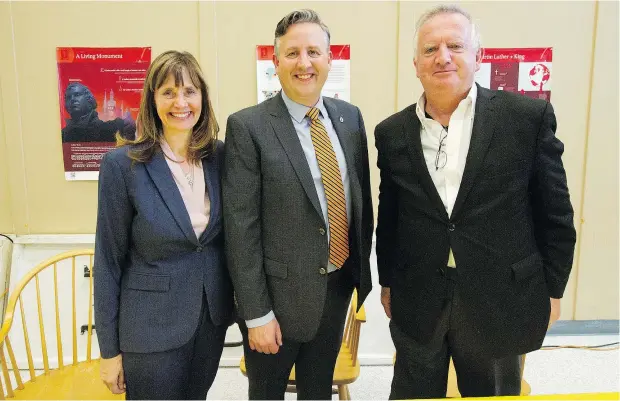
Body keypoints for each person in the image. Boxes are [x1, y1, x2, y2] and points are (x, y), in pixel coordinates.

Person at [374, 4, 576, 399]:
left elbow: (555, 214)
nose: (442, 57)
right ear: (415, 63)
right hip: (419, 297)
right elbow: (392, 215)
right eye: (430, 49)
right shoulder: (392, 132)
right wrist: (387, 282)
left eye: (455, 45)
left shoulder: (525, 119)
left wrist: (551, 290)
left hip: (498, 300)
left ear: (478, 56)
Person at [222, 9, 373, 400]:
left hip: (335, 289)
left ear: (329, 59)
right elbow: (242, 229)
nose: (304, 63)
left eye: (313, 52)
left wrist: (360, 274)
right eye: (292, 53)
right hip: (276, 301)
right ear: (275, 63)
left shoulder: (349, 119)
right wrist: (256, 313)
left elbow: (361, 200)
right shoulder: (249, 127)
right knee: (267, 394)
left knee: (317, 391)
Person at [94, 50, 234, 400]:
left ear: (202, 97)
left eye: (189, 91)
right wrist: (109, 352)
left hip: (209, 320)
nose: (180, 102)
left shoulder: (220, 157)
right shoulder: (122, 166)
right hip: (149, 329)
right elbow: (108, 263)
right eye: (168, 92)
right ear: (151, 100)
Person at [61, 82, 136, 142]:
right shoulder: (63, 134)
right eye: (68, 97)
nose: (72, 99)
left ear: (89, 98)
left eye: (77, 95)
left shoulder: (115, 127)